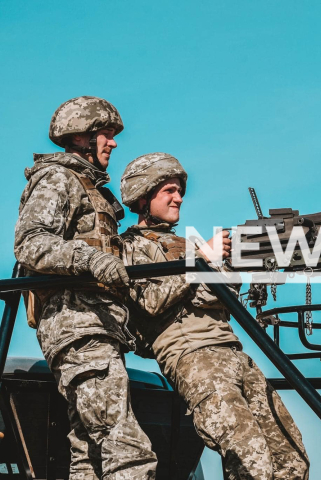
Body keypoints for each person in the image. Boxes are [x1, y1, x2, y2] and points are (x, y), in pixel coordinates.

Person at [119, 152, 310, 480]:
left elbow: (212, 300)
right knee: (251, 460)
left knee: (291, 461)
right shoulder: (129, 247)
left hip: (234, 355)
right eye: (168, 190)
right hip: (195, 358)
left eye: (180, 190)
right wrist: (200, 259)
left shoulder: (185, 245)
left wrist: (229, 266)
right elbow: (149, 301)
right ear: (142, 196)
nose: (178, 197)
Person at [14, 96, 157, 479]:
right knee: (125, 448)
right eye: (106, 135)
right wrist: (91, 260)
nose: (112, 143)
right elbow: (31, 243)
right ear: (81, 138)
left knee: (89, 454)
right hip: (76, 324)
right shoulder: (58, 177)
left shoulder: (87, 185)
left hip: (95, 325)